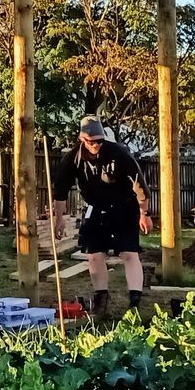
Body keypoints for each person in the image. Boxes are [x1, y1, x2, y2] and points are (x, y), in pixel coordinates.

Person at [51, 116, 152, 320]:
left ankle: (134, 302)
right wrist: (58, 220)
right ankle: (101, 300)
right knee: (94, 254)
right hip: (95, 207)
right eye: (91, 141)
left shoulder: (119, 153)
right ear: (82, 139)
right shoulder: (73, 158)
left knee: (129, 253)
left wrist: (144, 214)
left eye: (99, 140)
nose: (96, 144)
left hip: (124, 206)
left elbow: (140, 186)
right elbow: (60, 191)